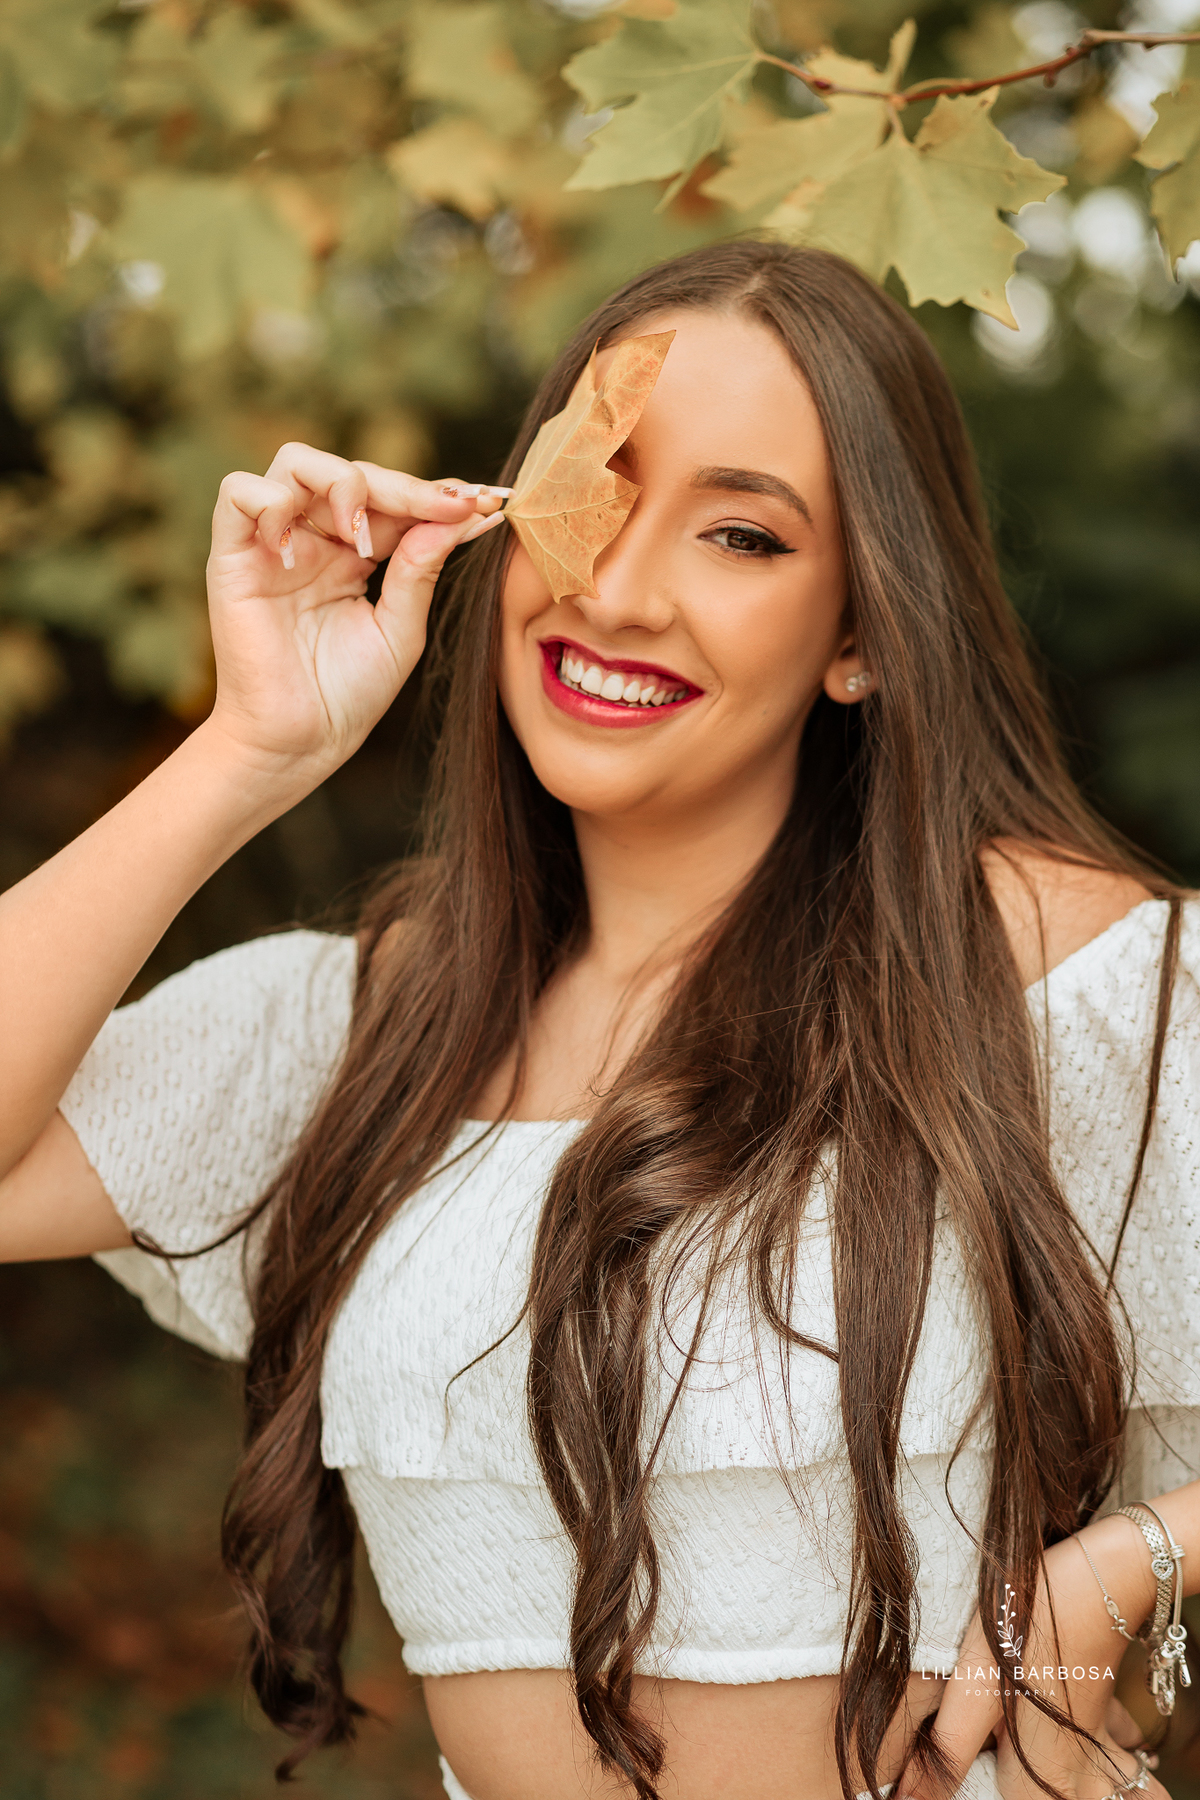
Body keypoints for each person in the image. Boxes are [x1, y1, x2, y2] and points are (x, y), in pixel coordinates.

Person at [0, 241, 1196, 1800]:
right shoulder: (372, 1024)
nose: (622, 591)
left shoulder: (1065, 978)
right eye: (598, 493)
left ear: (863, 634)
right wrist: (250, 747)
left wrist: (1129, 1571)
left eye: (743, 536)